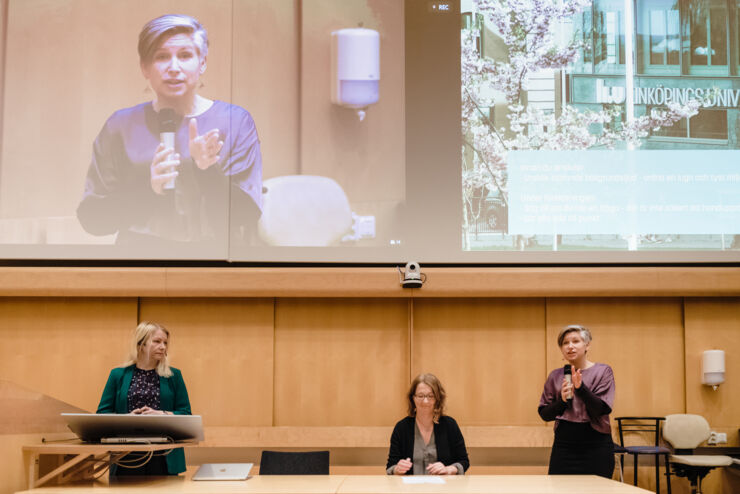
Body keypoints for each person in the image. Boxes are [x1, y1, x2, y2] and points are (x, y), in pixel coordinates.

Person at [77, 14, 262, 248]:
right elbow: (93, 220)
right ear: (145, 67)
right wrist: (148, 188)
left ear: (202, 62)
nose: (174, 68)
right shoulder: (120, 125)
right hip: (139, 258)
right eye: (162, 57)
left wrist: (206, 171)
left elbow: (246, 215)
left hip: (214, 258)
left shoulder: (235, 121)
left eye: (185, 56)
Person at [97, 321, 191, 476]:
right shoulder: (117, 374)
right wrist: (127, 418)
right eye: (157, 341)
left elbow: (186, 414)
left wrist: (161, 414)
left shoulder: (174, 375)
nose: (163, 347)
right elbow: (102, 414)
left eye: (165, 343)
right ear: (141, 344)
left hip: (164, 455)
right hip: (125, 455)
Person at [538, 325, 615, 478]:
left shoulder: (603, 371)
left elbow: (602, 409)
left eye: (576, 341)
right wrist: (562, 401)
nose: (570, 346)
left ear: (587, 345)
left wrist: (581, 389)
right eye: (565, 343)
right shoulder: (555, 375)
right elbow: (544, 414)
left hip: (596, 443)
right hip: (564, 444)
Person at [386, 373, 469, 475]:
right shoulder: (401, 428)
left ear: (438, 398)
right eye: (420, 396)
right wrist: (397, 469)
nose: (425, 401)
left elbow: (464, 461)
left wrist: (448, 469)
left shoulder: (450, 425)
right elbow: (390, 466)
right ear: (413, 398)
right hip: (409, 490)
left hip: (444, 489)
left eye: (431, 396)